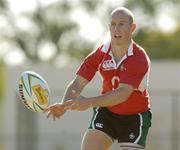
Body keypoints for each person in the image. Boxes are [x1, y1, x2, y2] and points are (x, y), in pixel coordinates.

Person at [44, 7, 152, 150]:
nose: (116, 29)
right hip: (107, 113)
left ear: (132, 28)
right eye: (113, 24)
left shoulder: (138, 57)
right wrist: (64, 106)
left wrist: (88, 103)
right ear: (109, 28)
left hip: (135, 116)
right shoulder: (100, 53)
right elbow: (78, 83)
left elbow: (122, 94)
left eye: (121, 24)